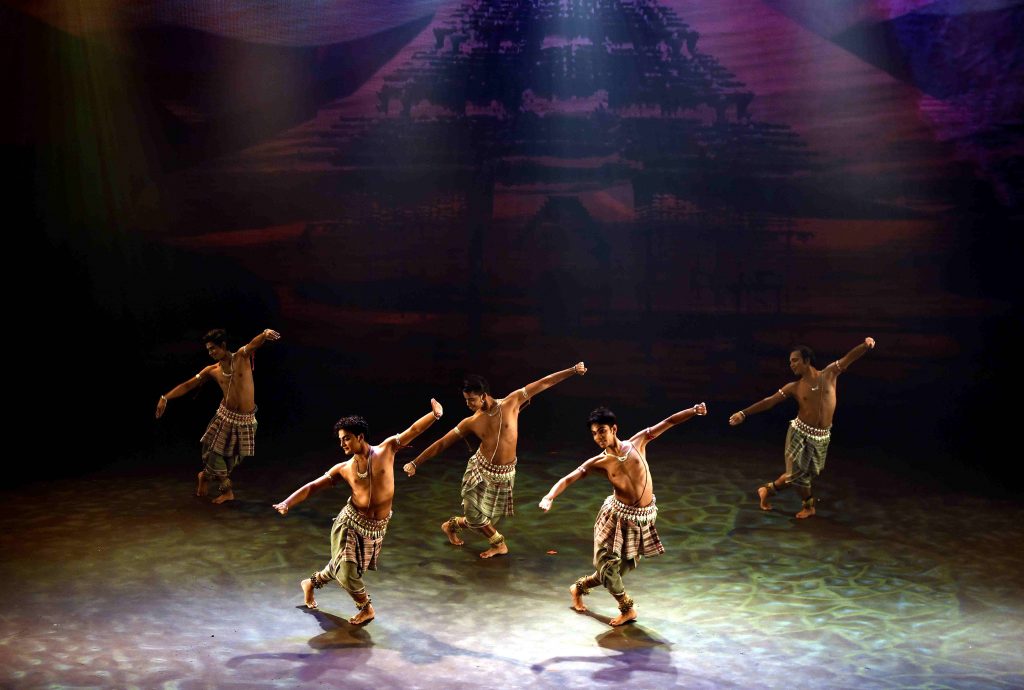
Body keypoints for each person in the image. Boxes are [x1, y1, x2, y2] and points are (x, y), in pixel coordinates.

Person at [273, 400, 443, 625]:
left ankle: (311, 583)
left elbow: (414, 430)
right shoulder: (344, 468)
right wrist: (287, 502)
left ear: (360, 437)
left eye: (347, 438)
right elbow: (312, 486)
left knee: (343, 566)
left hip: (376, 527)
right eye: (340, 439)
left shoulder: (386, 449)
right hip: (349, 524)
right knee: (346, 571)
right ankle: (366, 608)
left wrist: (435, 416)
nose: (342, 443)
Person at [540, 403, 707, 626]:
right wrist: (550, 496)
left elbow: (669, 422)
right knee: (608, 568)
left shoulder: (637, 442)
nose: (598, 437)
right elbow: (569, 478)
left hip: (642, 518)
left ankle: (578, 587)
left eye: (602, 431)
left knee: (619, 569)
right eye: (594, 433)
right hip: (615, 518)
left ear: (614, 429)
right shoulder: (599, 462)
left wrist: (693, 411)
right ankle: (627, 608)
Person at [403, 363, 587, 558]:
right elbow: (442, 443)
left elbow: (545, 383)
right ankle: (499, 543)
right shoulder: (471, 422)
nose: (468, 404)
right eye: (466, 400)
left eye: (471, 400)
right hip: (479, 470)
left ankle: (452, 525)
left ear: (483, 395)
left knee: (486, 517)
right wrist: (415, 462)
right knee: (474, 514)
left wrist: (573, 370)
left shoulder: (512, 402)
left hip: (505, 473)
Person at [729, 337, 876, 518]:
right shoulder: (794, 387)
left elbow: (848, 358)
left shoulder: (829, 374)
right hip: (798, 433)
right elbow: (769, 401)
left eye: (795, 360)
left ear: (807, 360)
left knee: (805, 475)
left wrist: (865, 346)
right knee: (797, 475)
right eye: (790, 362)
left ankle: (768, 490)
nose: (791, 365)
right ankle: (809, 507)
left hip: (822, 436)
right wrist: (743, 413)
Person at [155, 328, 281, 504]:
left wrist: (264, 335)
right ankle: (227, 491)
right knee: (214, 453)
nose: (211, 352)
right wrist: (165, 398)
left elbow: (253, 344)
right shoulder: (211, 370)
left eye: (213, 348)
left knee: (231, 461)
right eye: (208, 349)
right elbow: (188, 385)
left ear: (223, 345)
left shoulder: (241, 357)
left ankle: (204, 476)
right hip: (224, 417)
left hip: (246, 421)